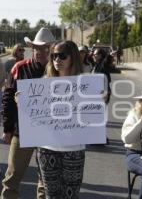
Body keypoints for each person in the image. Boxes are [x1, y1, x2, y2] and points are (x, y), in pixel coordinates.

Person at [1, 27, 55, 199]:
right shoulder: (20, 67)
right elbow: (8, 98)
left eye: (45, 48)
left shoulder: (59, 70)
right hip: (22, 131)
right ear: (32, 48)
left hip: (49, 133)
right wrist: (7, 128)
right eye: (37, 47)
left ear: (52, 49)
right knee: (12, 179)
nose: (40, 51)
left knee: (45, 181)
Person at [35, 40, 85, 198]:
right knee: (51, 195)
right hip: (47, 149)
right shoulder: (44, 83)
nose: (57, 60)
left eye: (62, 56)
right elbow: (35, 114)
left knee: (71, 195)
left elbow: (92, 117)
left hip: (73, 149)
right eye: (54, 56)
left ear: (73, 58)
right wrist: (21, 102)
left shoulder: (85, 84)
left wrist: (100, 100)